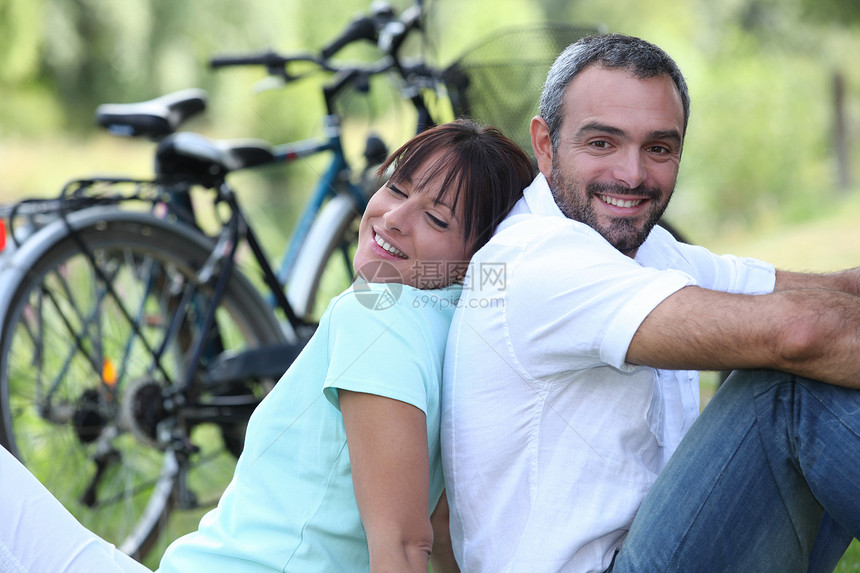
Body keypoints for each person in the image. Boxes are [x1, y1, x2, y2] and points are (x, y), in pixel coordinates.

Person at [0, 119, 535, 573]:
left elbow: (402, 545)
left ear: (476, 256)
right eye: (397, 187)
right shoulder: (458, 328)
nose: (394, 218)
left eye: (437, 218)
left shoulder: (382, 315)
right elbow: (440, 531)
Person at [441, 33, 860, 573]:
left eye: (658, 148)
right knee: (787, 387)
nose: (633, 176)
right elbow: (801, 331)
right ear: (545, 145)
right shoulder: (537, 262)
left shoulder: (647, 246)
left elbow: (833, 292)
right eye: (602, 144)